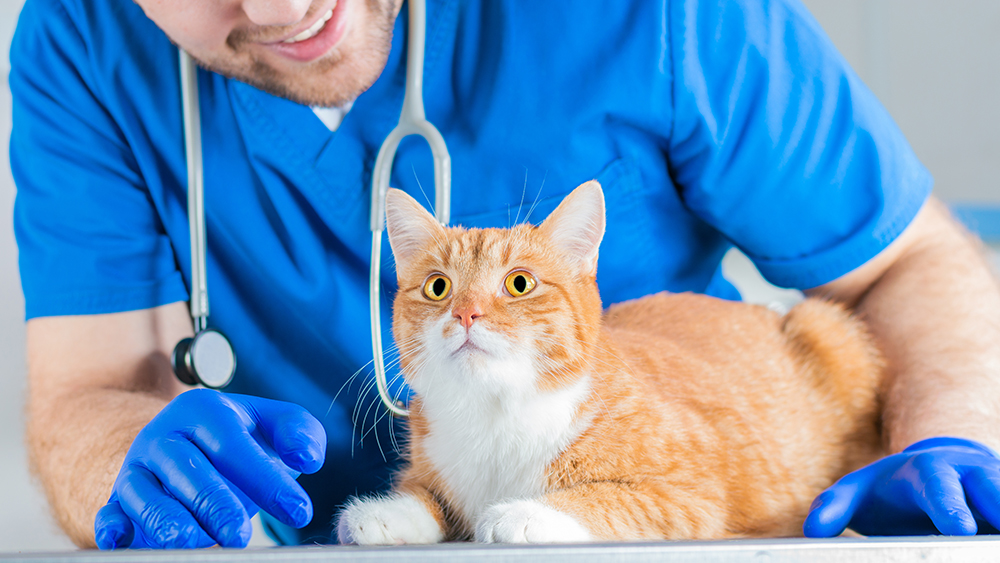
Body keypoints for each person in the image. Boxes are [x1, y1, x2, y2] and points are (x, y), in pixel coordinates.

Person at [9, 0, 1000, 549]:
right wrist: (128, 461)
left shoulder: (661, 15)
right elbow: (88, 391)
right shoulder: (78, 44)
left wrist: (950, 434)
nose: (278, 7)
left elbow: (907, 261)